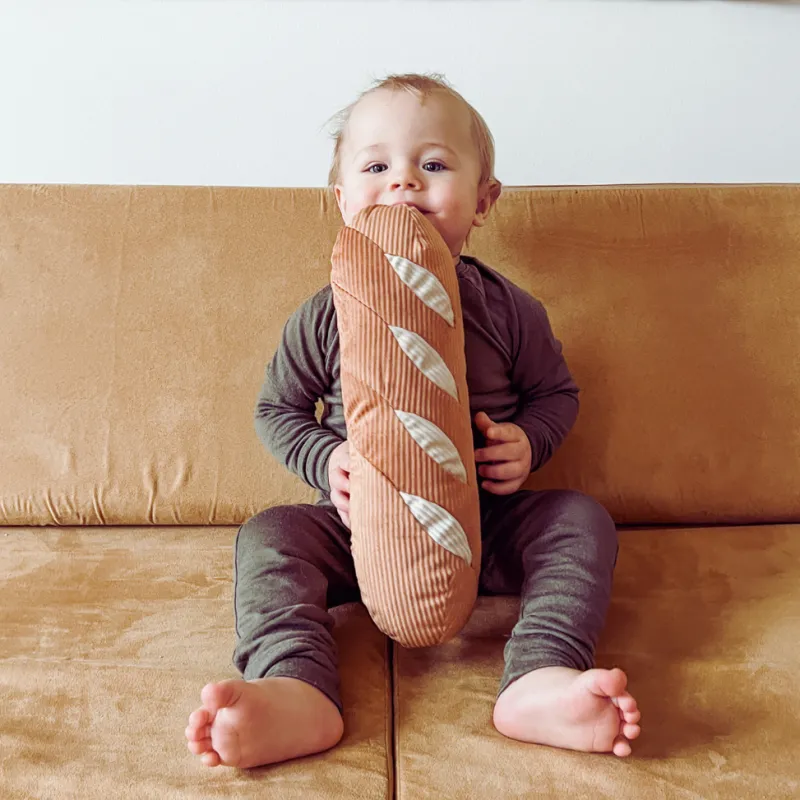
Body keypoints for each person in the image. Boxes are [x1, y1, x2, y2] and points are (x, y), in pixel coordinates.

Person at [185, 73, 641, 770]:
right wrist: (325, 459)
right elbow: (277, 409)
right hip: (356, 527)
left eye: (432, 164)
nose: (403, 182)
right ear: (342, 200)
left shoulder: (508, 310)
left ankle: (542, 676)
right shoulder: (325, 315)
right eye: (376, 167)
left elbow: (556, 393)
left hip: (489, 523)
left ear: (483, 200)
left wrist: (529, 441)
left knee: (581, 519)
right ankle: (294, 686)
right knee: (269, 536)